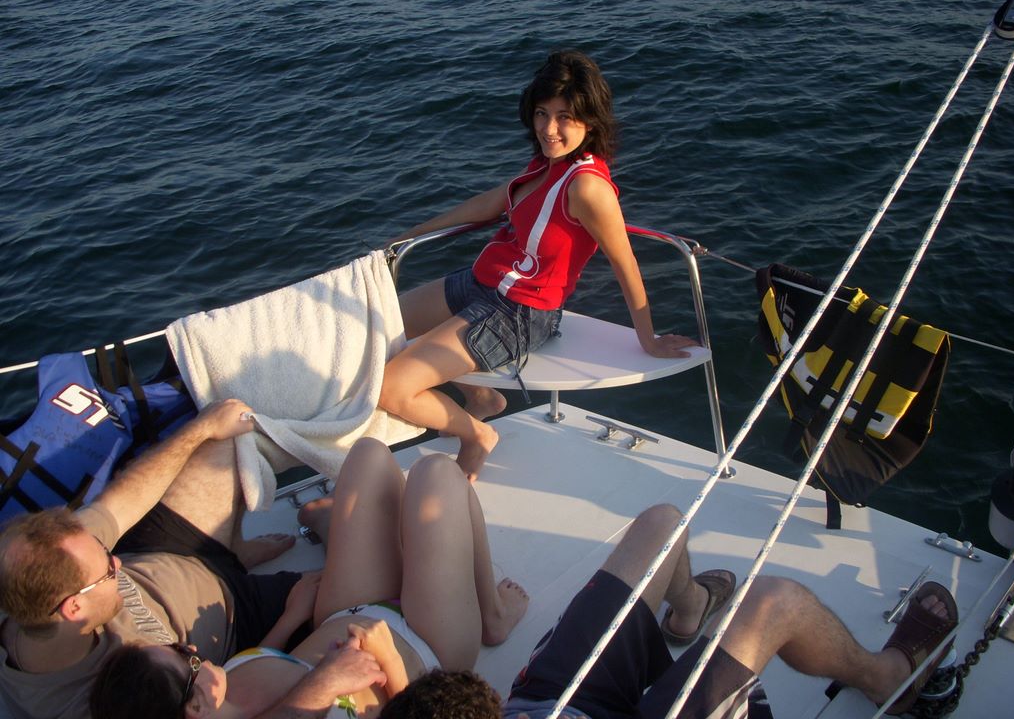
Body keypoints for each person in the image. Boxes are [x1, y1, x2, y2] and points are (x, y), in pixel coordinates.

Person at [378, 50, 698, 480]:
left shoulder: (587, 188)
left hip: (519, 312)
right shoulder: (546, 165)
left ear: (590, 121)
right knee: (378, 326)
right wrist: (405, 237)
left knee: (390, 388)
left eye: (565, 117)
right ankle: (483, 399)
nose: (549, 129)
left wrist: (649, 339)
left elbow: (625, 264)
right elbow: (488, 203)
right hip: (480, 282)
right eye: (542, 113)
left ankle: (477, 435)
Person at [379, 503, 959, 719]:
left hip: (555, 703)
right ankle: (886, 679)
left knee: (662, 525)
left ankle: (690, 608)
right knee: (774, 603)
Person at [89, 437, 530, 718]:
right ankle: (491, 617)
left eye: (176, 646)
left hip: (346, 612)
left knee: (369, 456)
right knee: (438, 474)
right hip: (426, 648)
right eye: (183, 659)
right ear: (196, 707)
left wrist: (291, 618)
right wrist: (389, 660)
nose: (189, 648)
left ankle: (372, 539)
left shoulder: (219, 691)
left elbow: (261, 663)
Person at [0, 399, 302, 719]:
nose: (117, 563)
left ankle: (234, 551)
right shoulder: (99, 705)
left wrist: (203, 428)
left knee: (231, 431)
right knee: (337, 605)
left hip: (164, 548)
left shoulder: (42, 564)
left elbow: (115, 507)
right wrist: (287, 624)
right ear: (74, 607)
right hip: (235, 614)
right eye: (107, 569)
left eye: (104, 549)